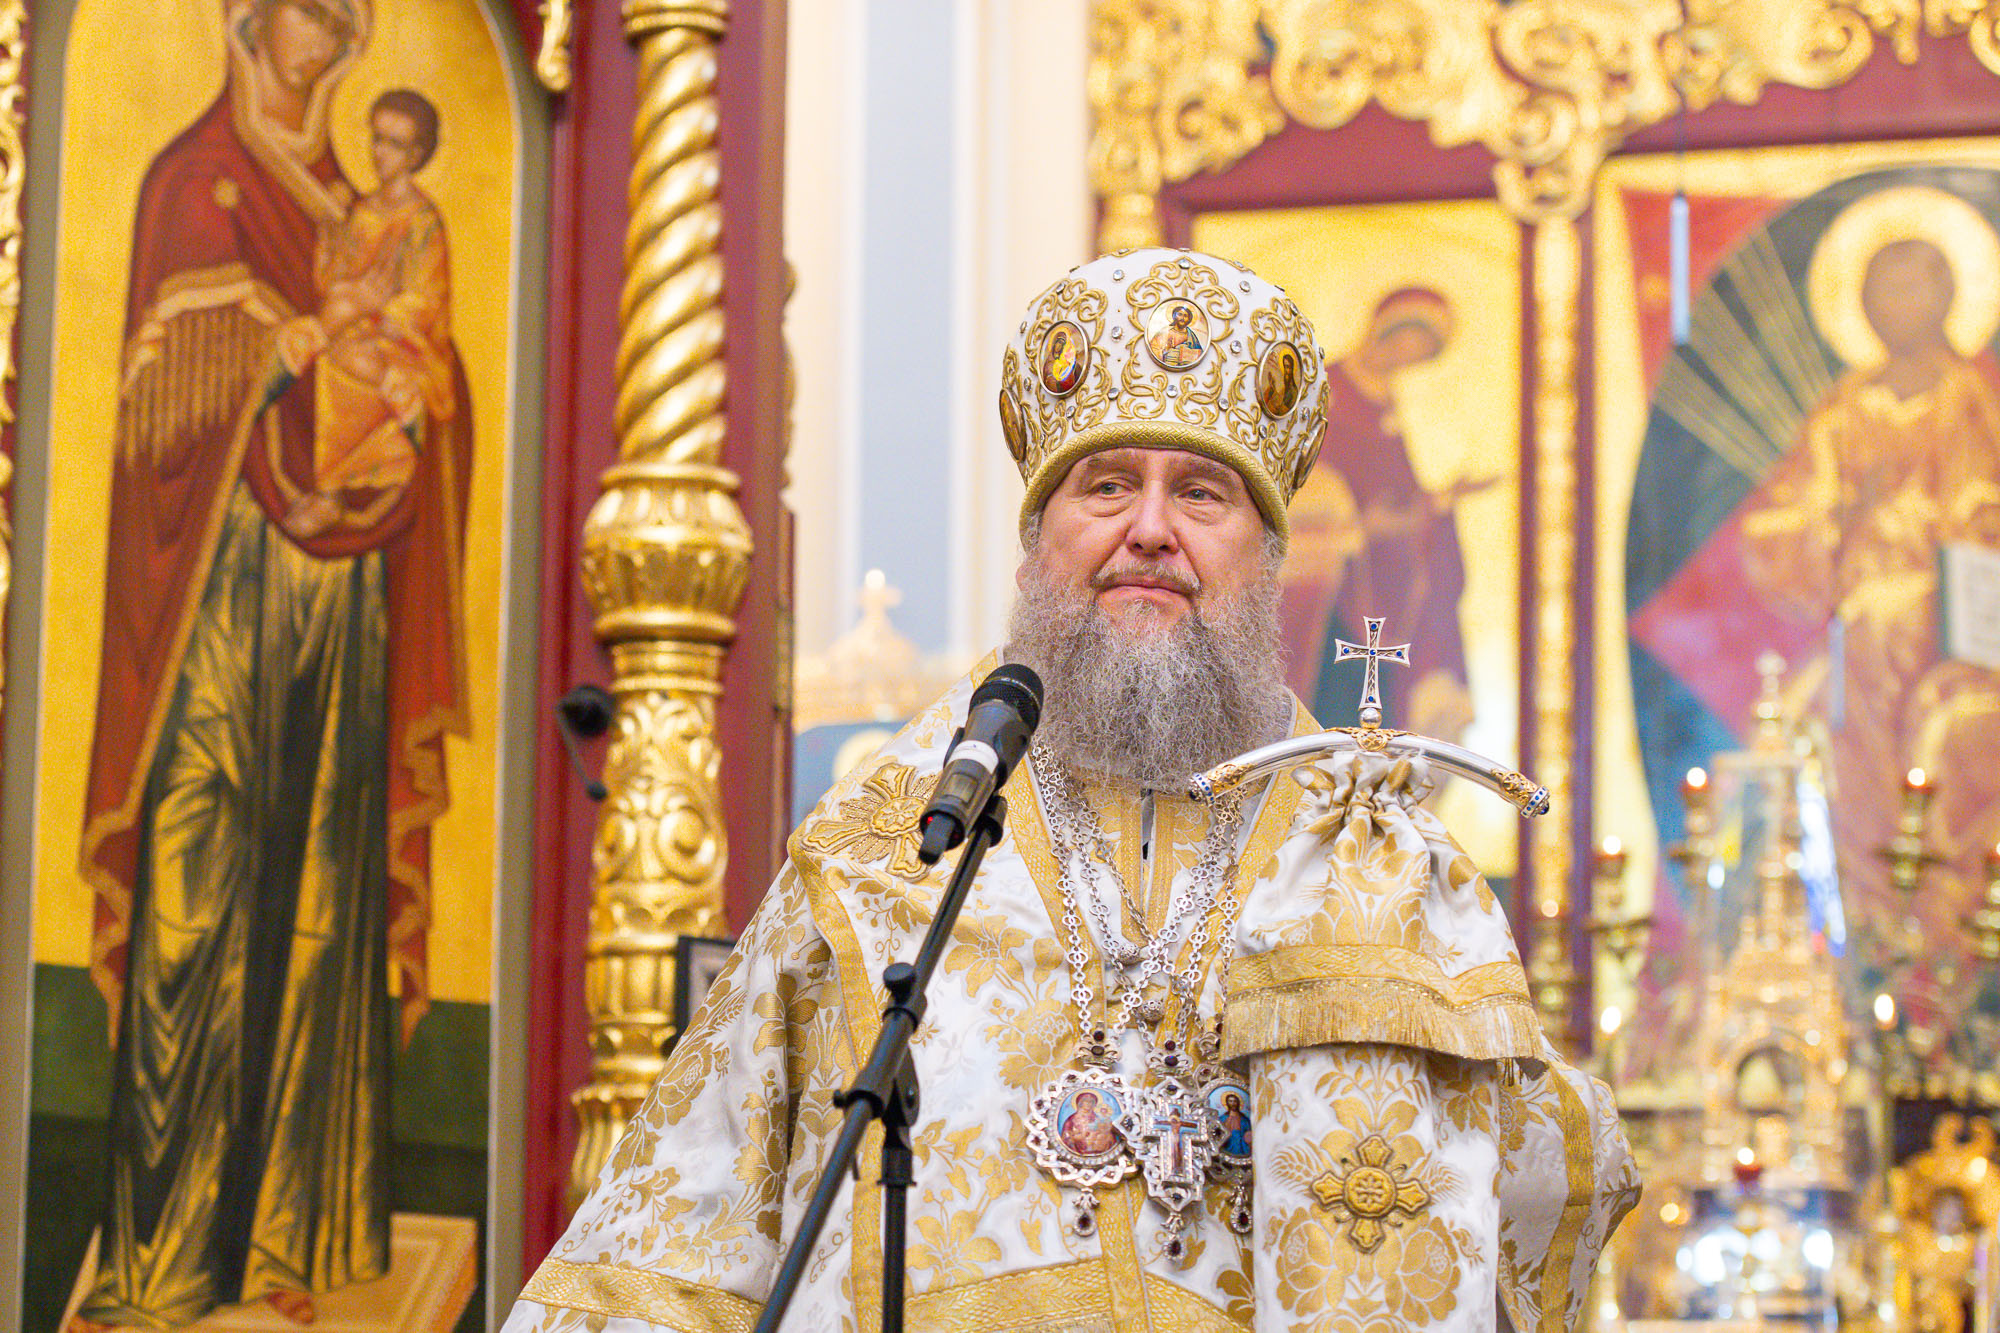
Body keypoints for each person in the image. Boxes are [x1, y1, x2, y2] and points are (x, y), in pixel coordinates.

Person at [505, 249, 1634, 1332]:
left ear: (1268, 559)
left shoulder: (1369, 854)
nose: (1149, 530)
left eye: (1202, 493)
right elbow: (678, 1236)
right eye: (1106, 486)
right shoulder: (879, 857)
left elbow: (1520, 1216)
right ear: (1035, 543)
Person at [74, 0, 472, 1326]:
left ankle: (288, 1248)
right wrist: (273, 337)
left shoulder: (370, 216)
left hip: (341, 591)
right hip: (215, 584)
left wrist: (408, 381)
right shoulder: (194, 181)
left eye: (348, 16)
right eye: (313, 8)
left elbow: (434, 371)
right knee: (198, 880)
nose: (338, 23)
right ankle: (162, 1257)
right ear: (248, 23)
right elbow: (152, 409)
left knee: (322, 900)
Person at [1742, 232, 2000, 954]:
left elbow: (1983, 512)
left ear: (1946, 296)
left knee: (1903, 664)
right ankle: (1863, 917)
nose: (1894, 306)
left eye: (1911, 288)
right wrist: (1850, 513)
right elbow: (1784, 524)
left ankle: (1937, 914)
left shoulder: (1970, 400)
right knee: (1796, 722)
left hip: (1950, 612)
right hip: (1860, 614)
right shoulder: (1843, 411)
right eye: (1879, 290)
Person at [1282, 287, 1495, 740]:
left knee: (1377, 709)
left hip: (1382, 585)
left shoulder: (1385, 403)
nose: (1404, 360)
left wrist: (1442, 499)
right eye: (1403, 345)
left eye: (1418, 356)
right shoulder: (1324, 393)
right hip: (1332, 584)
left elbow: (1398, 493)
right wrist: (1359, 526)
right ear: (1383, 330)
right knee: (1334, 704)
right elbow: (1288, 486)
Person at [284, 87, 456, 540]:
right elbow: (331, 282)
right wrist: (330, 239)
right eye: (377, 138)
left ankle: (331, 492)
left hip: (405, 347)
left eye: (395, 144)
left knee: (344, 360)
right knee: (324, 353)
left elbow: (426, 299)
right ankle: (328, 487)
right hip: (353, 326)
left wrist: (380, 315)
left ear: (416, 155)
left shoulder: (422, 221)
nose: (380, 153)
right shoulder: (361, 211)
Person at [1060, 1091, 1116, 1156]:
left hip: (1099, 1149)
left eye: (1091, 1102)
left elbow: (1108, 1133)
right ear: (1080, 1103)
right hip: (1077, 1151)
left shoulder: (1098, 1118)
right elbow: (1066, 1137)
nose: (1089, 1104)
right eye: (1086, 1101)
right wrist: (1077, 1138)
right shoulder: (1071, 1119)